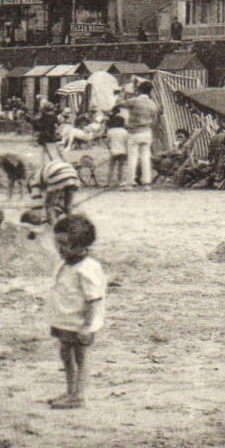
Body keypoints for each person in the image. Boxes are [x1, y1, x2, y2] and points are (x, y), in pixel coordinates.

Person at [46, 214, 106, 409]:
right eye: (58, 244)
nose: (59, 249)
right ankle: (70, 390)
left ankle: (79, 395)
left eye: (64, 244)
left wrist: (88, 326)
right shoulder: (66, 264)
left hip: (80, 323)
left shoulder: (87, 269)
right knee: (66, 355)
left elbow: (93, 300)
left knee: (81, 357)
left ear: (81, 246)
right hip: (64, 319)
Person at [122, 81, 160, 186]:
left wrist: (124, 91)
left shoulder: (134, 101)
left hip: (134, 132)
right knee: (146, 158)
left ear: (139, 90)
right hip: (147, 132)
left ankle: (130, 182)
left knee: (132, 158)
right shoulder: (153, 105)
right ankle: (147, 182)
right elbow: (155, 121)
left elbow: (120, 104)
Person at [104, 108, 128, 186]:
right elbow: (127, 142)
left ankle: (109, 181)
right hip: (123, 151)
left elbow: (107, 141)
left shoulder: (110, 131)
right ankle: (120, 181)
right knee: (121, 167)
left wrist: (109, 148)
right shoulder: (125, 132)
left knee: (111, 167)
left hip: (113, 151)